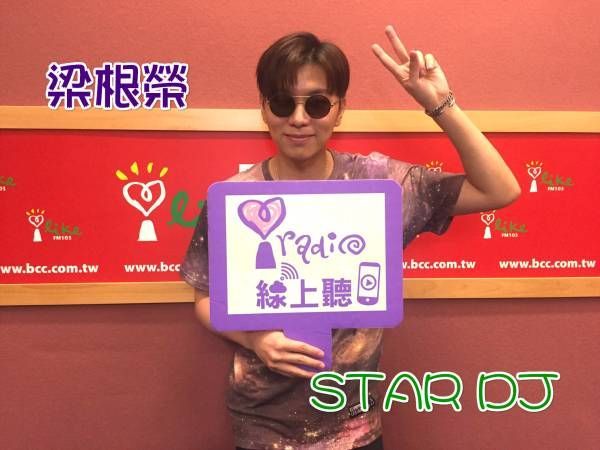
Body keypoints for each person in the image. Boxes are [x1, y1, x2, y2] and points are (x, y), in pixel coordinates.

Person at [181, 26, 520, 450]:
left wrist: (439, 103)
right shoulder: (234, 198)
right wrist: (255, 340)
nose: (299, 119)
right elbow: (206, 298)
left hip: (355, 427)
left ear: (339, 109)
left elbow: (500, 190)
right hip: (261, 427)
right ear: (264, 109)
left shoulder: (379, 185)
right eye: (283, 103)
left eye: (317, 104)